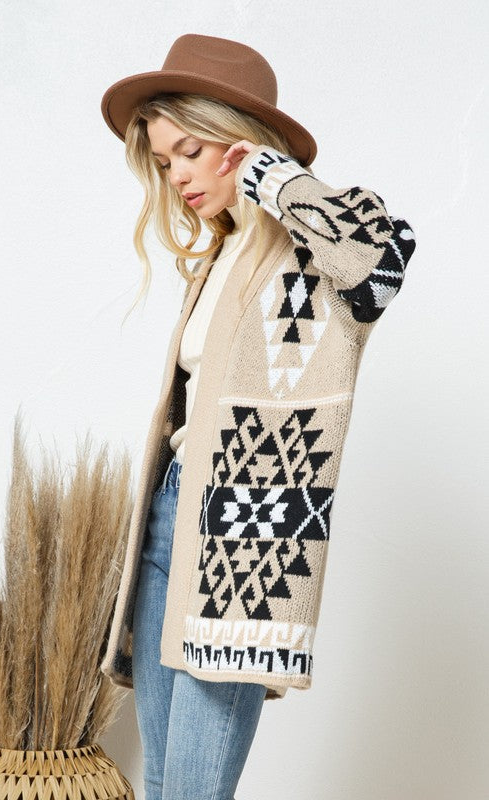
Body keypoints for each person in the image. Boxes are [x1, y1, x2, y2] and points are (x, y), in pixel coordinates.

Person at [99, 33, 416, 800]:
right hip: (169, 518)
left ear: (239, 140)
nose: (176, 175)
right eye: (162, 162)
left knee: (193, 790)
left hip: (245, 538)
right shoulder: (219, 254)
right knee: (162, 781)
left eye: (189, 150)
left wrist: (275, 178)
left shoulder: (312, 251)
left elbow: (378, 269)